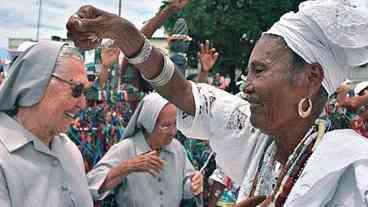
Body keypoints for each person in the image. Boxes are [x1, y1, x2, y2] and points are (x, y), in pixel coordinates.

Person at [67, 0, 368, 206]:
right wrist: (124, 33)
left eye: (259, 71)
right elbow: (183, 93)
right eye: (248, 72)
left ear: (312, 78)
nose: (246, 86)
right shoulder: (255, 138)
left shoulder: (351, 169)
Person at [0, 41, 93, 207]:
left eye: (85, 93)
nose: (83, 104)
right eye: (77, 90)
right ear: (36, 83)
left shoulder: (69, 150)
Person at [87, 92, 203, 207]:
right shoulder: (126, 148)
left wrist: (194, 184)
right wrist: (127, 167)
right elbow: (92, 186)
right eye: (165, 126)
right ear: (148, 124)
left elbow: (186, 188)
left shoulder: (177, 148)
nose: (173, 132)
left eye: (175, 124)